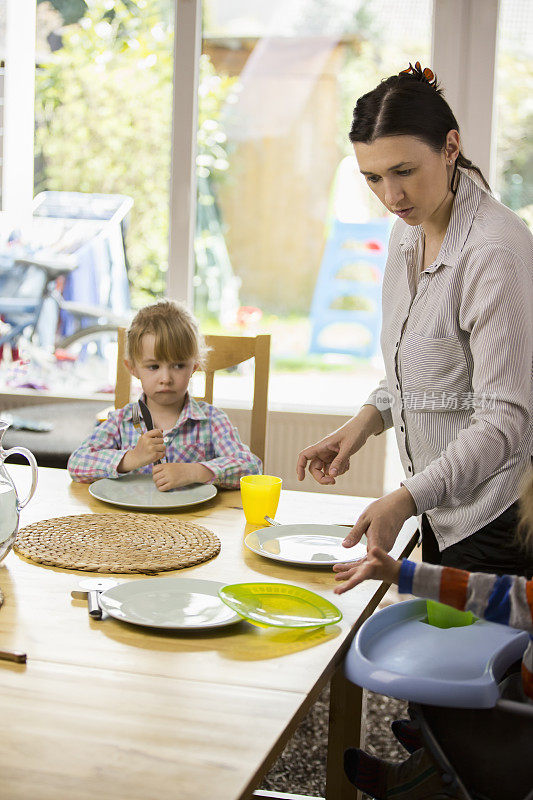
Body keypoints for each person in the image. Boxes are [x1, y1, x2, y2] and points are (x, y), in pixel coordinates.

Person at [297, 62, 533, 577]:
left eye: (404, 171)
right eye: (373, 178)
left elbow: (503, 421)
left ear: (450, 147)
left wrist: (405, 498)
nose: (390, 197)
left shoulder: (495, 249)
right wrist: (364, 422)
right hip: (442, 507)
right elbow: (424, 364)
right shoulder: (411, 228)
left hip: (499, 520)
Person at [334, 470, 533, 800]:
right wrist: (401, 572)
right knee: (477, 694)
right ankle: (434, 746)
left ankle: (410, 777)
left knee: (440, 705)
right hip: (518, 705)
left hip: (519, 740)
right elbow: (492, 593)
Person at [68, 300, 262, 488]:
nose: (166, 378)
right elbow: (77, 463)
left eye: (178, 365)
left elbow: (252, 468)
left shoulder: (211, 420)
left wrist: (196, 472)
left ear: (193, 367)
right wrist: (132, 458)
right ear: (133, 368)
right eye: (153, 366)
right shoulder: (122, 420)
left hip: (193, 519)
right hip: (132, 520)